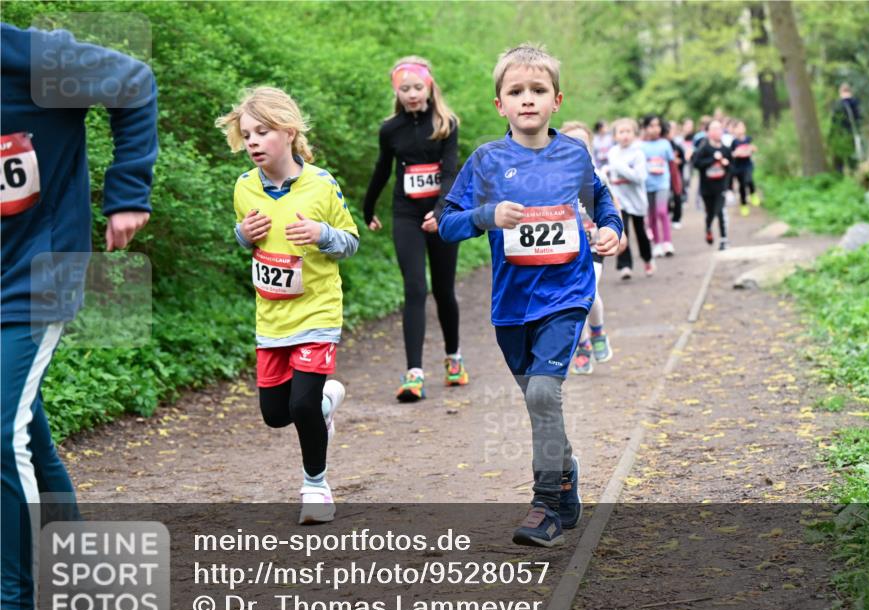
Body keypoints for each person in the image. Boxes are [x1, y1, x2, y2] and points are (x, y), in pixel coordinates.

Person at [2, 22, 158, 610]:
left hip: (37, 273)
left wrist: (127, 192)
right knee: (26, 437)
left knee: (0, 438)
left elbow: (134, 81)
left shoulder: (33, 57)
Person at [439, 44, 623, 548]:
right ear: (500, 104)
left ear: (555, 100)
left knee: (544, 394)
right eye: (515, 92)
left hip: (567, 294)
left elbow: (603, 204)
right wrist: (487, 215)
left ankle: (544, 505)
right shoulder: (487, 161)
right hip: (511, 306)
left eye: (537, 91)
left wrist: (610, 230)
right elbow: (449, 226)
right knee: (540, 402)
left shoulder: (573, 154)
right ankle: (565, 476)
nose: (527, 100)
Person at [216, 87, 359, 526]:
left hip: (317, 311)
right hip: (272, 315)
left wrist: (321, 234)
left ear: (289, 132)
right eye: (247, 134)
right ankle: (325, 404)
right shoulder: (244, 188)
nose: (254, 141)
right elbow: (245, 240)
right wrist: (243, 233)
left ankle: (315, 487)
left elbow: (350, 241)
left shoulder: (321, 183)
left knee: (300, 405)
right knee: (276, 414)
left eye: (263, 132)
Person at [362, 56, 466, 402]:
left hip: (442, 214)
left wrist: (441, 210)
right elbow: (381, 170)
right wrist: (368, 205)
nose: (411, 94)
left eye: (417, 87)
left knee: (443, 289)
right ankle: (414, 374)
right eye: (404, 88)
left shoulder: (447, 124)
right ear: (396, 90)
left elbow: (450, 173)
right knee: (414, 288)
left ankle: (454, 358)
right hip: (406, 214)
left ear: (429, 87)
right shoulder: (390, 129)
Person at [559, 121, 627, 375]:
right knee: (571, 300)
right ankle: (583, 345)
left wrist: (620, 231)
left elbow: (612, 204)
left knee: (587, 292)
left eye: (582, 145)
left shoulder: (597, 177)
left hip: (595, 245)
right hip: (567, 248)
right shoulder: (555, 179)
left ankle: (596, 333)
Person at [606, 117, 651, 279]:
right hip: (620, 201)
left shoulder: (638, 154)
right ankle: (625, 266)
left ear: (634, 134)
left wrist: (620, 167)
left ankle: (647, 259)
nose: (625, 135)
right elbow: (610, 175)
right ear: (615, 136)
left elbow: (639, 177)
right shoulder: (612, 153)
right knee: (622, 230)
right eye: (621, 132)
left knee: (641, 233)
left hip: (637, 200)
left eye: (628, 132)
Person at [692, 120, 733, 250]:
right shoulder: (704, 148)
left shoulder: (725, 149)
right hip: (707, 188)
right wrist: (712, 160)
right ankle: (708, 228)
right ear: (708, 132)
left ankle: (723, 239)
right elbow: (696, 164)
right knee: (710, 213)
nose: (717, 131)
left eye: (719, 128)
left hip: (721, 187)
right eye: (714, 129)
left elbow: (732, 168)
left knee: (721, 211)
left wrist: (726, 164)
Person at [640, 114, 675, 258]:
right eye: (651, 126)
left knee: (662, 211)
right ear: (645, 128)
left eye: (657, 126)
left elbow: (672, 165)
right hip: (647, 185)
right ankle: (657, 243)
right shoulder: (641, 146)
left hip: (662, 183)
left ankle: (667, 242)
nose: (655, 129)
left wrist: (677, 185)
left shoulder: (665, 144)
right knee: (652, 215)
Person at [831, 82, 862, 173]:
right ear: (850, 92)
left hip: (840, 134)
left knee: (839, 157)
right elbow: (859, 118)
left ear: (840, 92)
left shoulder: (838, 104)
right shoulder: (856, 103)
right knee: (852, 155)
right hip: (852, 132)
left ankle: (839, 175)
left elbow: (834, 121)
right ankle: (854, 174)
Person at [730, 120, 759, 216]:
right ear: (734, 130)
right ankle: (743, 205)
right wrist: (736, 153)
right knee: (742, 185)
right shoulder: (734, 142)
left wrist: (752, 149)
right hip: (738, 167)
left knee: (749, 179)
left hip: (747, 164)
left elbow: (754, 148)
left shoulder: (748, 139)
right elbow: (731, 154)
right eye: (738, 127)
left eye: (742, 126)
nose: (741, 129)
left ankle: (753, 193)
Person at [665, 120, 687, 230]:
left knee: (678, 195)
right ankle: (668, 213)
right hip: (663, 176)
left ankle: (676, 218)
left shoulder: (676, 145)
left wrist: (679, 161)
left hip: (675, 174)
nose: (671, 132)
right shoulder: (662, 144)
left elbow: (683, 160)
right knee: (665, 198)